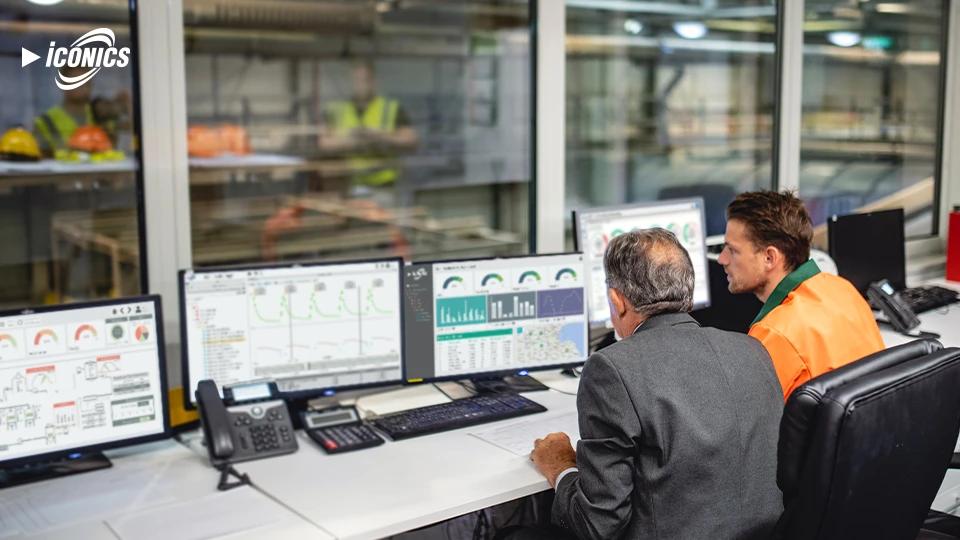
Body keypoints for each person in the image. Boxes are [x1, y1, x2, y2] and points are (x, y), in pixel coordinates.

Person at [526, 229, 784, 540]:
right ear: (686, 290)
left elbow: (597, 525)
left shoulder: (611, 369)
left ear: (617, 301)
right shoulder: (753, 349)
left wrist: (561, 467)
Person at [718, 190, 885, 400]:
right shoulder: (844, 289)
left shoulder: (774, 335)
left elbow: (746, 421)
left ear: (770, 258)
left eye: (732, 250)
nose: (722, 259)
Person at [318, 58, 418, 209]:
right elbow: (324, 143)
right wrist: (352, 141)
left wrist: (381, 136)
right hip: (352, 186)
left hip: (384, 187)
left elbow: (411, 141)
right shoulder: (338, 109)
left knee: (385, 229)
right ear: (351, 82)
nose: (362, 85)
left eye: (365, 79)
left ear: (374, 81)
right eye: (357, 80)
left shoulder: (390, 107)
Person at [33, 65, 132, 157]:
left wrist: (129, 105)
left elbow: (133, 127)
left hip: (103, 173)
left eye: (86, 82)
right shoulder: (45, 122)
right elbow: (40, 159)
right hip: (65, 174)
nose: (83, 87)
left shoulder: (101, 113)